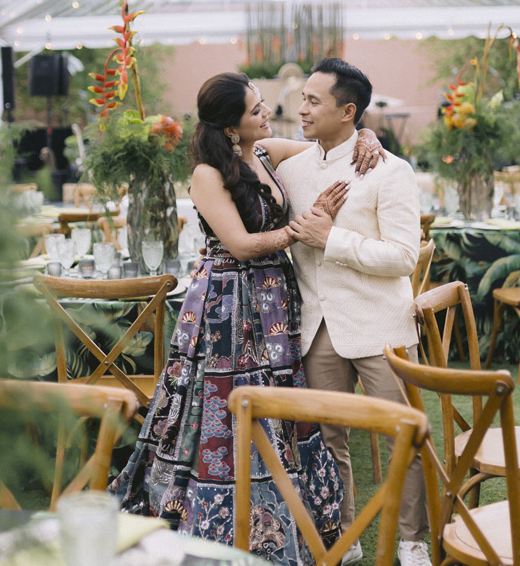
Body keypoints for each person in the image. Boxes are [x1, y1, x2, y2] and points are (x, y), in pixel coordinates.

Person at [111, 72, 382, 566]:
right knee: (220, 406)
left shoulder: (263, 153)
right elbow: (239, 244)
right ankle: (221, 516)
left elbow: (324, 143)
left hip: (274, 302)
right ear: (231, 126)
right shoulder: (207, 174)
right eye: (256, 110)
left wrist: (364, 133)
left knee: (281, 406)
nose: (266, 115)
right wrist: (302, 228)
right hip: (227, 305)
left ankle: (295, 516)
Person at [276, 58, 431, 566]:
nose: (300, 108)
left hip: (379, 325)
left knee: (403, 436)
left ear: (348, 111)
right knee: (326, 442)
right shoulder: (289, 170)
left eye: (313, 101)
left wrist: (332, 239)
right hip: (315, 328)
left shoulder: (390, 169)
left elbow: (405, 257)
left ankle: (412, 541)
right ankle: (345, 536)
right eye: (302, 99)